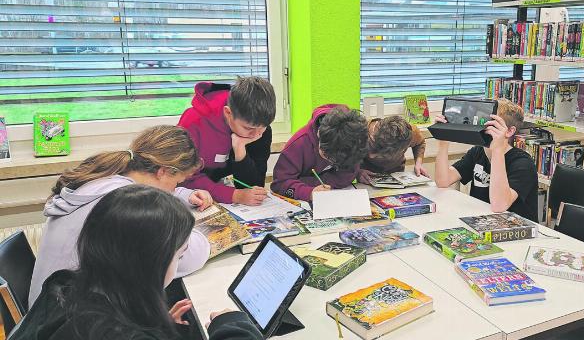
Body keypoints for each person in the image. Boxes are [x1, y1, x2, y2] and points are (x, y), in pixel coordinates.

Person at [0, 185, 275, 340]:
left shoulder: (65, 287)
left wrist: (149, 323)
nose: (179, 262)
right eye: (179, 255)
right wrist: (233, 324)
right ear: (152, 261)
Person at [29, 125, 212, 306]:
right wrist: (203, 237)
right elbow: (183, 258)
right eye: (176, 182)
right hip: (72, 319)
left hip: (46, 308)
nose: (174, 189)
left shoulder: (104, 179)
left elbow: (158, 191)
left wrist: (183, 194)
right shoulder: (127, 208)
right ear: (162, 171)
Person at [434, 98, 538, 221]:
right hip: (481, 220)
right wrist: (443, 141)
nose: (484, 125)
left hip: (513, 227)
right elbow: (443, 181)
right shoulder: (478, 152)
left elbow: (499, 206)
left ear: (509, 131)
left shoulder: (523, 163)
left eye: (492, 123)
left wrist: (497, 150)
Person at [179, 76, 276, 206]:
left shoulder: (258, 128)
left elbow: (254, 187)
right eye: (248, 128)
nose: (256, 135)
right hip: (194, 194)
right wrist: (233, 195)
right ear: (228, 113)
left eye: (263, 127)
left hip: (219, 191)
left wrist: (240, 151)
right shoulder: (193, 122)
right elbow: (183, 177)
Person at [271, 105, 368, 201]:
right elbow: (279, 184)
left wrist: (304, 181)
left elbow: (347, 176)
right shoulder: (298, 144)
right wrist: (309, 193)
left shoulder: (354, 141)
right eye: (327, 156)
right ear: (319, 134)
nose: (332, 162)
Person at [357, 115, 427, 184]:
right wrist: (357, 172)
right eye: (372, 145)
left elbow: (420, 142)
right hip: (365, 176)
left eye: (384, 154)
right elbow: (346, 160)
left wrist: (418, 163)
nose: (371, 156)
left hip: (396, 174)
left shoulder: (411, 133)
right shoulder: (358, 131)